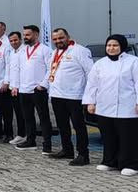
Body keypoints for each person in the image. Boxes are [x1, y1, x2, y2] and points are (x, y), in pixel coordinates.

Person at [83, 34, 138, 176]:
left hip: (127, 107)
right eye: (109, 45)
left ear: (122, 46)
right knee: (108, 136)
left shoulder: (133, 62)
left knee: (127, 137)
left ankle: (131, 164)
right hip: (104, 107)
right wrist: (90, 102)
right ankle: (110, 161)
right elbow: (92, 84)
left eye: (115, 45)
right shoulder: (100, 64)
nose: (111, 48)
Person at [48, 28, 93, 166]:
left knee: (78, 126)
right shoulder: (55, 52)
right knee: (62, 125)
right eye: (55, 39)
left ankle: (83, 154)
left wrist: (90, 96)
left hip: (75, 96)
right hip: (57, 95)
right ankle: (67, 150)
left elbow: (90, 73)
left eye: (61, 38)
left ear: (68, 37)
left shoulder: (80, 51)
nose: (58, 41)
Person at [10, 25, 52, 153]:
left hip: (38, 90)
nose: (25, 37)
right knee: (28, 118)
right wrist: (15, 86)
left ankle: (47, 145)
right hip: (24, 90)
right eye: (24, 35)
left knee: (43, 118)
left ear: (36, 35)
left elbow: (51, 69)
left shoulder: (45, 50)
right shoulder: (22, 51)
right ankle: (30, 141)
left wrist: (43, 85)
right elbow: (17, 69)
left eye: (28, 35)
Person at [6, 31, 27, 145]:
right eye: (11, 41)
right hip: (13, 87)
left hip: (20, 87)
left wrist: (16, 86)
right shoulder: (12, 52)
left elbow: (21, 71)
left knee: (23, 113)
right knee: (18, 113)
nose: (13, 42)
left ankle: (24, 134)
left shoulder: (24, 51)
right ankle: (21, 134)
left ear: (20, 39)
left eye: (15, 40)